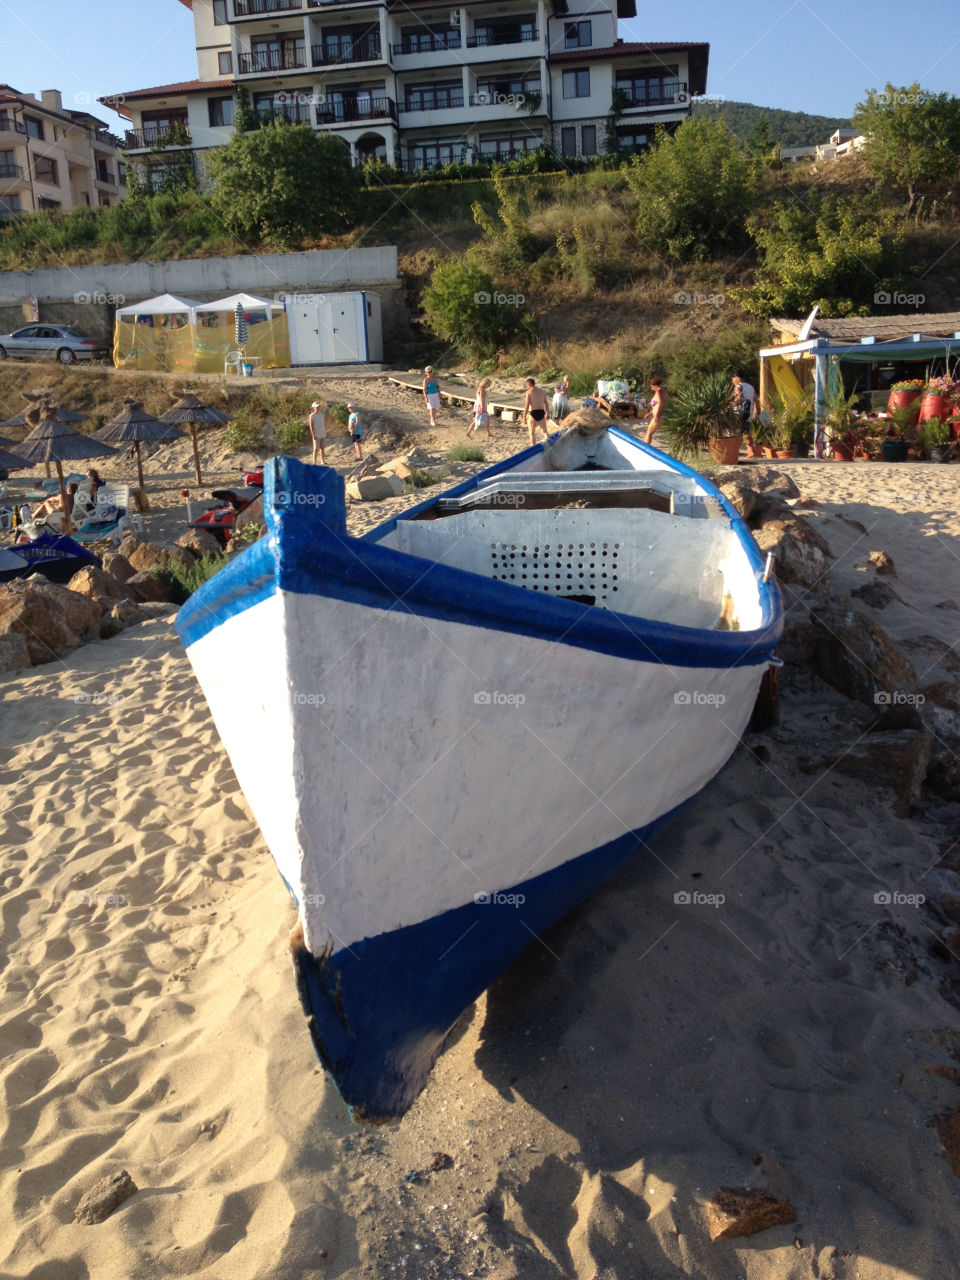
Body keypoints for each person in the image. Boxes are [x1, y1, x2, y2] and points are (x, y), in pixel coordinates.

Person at [523, 377, 551, 446]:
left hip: (533, 412)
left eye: (527, 386)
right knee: (545, 432)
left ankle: (533, 447)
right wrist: (547, 413)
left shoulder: (528, 392)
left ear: (528, 385)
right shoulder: (542, 391)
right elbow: (546, 403)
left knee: (532, 433)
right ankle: (550, 445)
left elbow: (527, 405)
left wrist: (524, 416)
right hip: (541, 412)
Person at [643, 377, 667, 446]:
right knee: (650, 433)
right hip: (664, 415)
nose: (651, 389)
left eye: (651, 387)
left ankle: (645, 448)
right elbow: (659, 405)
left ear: (654, 386)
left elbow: (659, 403)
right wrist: (650, 413)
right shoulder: (664, 391)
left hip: (658, 416)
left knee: (648, 433)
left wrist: (656, 415)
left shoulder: (658, 392)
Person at [308, 399, 327, 465]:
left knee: (322, 448)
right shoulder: (311, 415)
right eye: (316, 407)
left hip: (323, 433)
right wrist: (313, 434)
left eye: (318, 407)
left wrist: (325, 431)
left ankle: (322, 461)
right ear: (313, 408)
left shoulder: (322, 415)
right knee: (316, 449)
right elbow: (311, 426)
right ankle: (314, 462)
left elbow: (323, 424)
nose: (318, 408)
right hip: (316, 434)